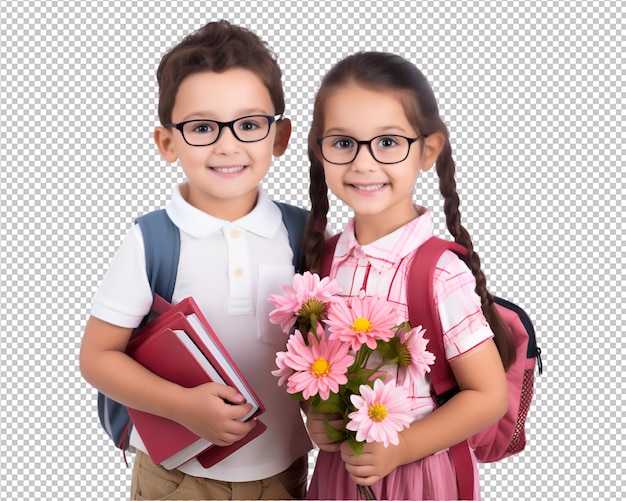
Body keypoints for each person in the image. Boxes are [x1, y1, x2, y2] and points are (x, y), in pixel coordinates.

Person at [79, 20, 311, 500]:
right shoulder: (152, 239)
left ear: (280, 136)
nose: (228, 145)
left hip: (284, 472)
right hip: (178, 477)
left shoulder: (305, 235)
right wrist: (181, 405)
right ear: (167, 143)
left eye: (249, 125)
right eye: (203, 127)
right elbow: (98, 358)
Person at [302, 51, 515, 500]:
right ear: (318, 149)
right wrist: (317, 415)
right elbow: (320, 370)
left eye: (388, 142)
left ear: (427, 150)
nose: (363, 163)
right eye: (342, 142)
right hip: (341, 473)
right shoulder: (323, 262)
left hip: (420, 474)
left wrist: (401, 448)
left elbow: (488, 395)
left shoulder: (438, 274)